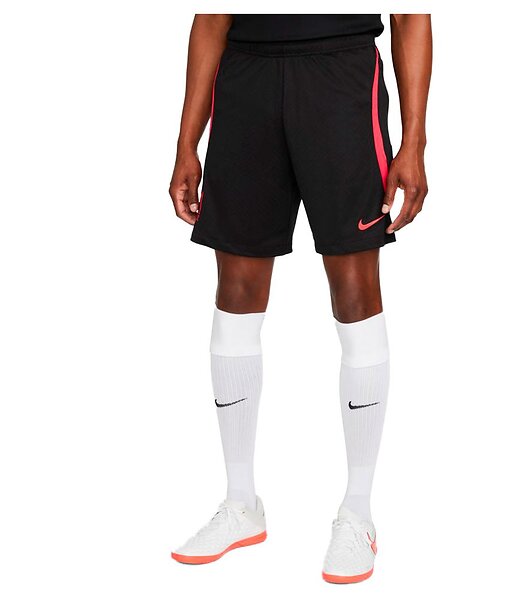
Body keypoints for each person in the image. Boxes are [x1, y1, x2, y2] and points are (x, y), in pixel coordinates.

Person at [169, 14, 432, 584]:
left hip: (341, 75)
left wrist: (414, 140)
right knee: (236, 289)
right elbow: (210, 17)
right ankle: (241, 502)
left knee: (354, 288)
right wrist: (187, 141)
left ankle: (357, 512)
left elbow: (412, 15)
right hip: (244, 78)